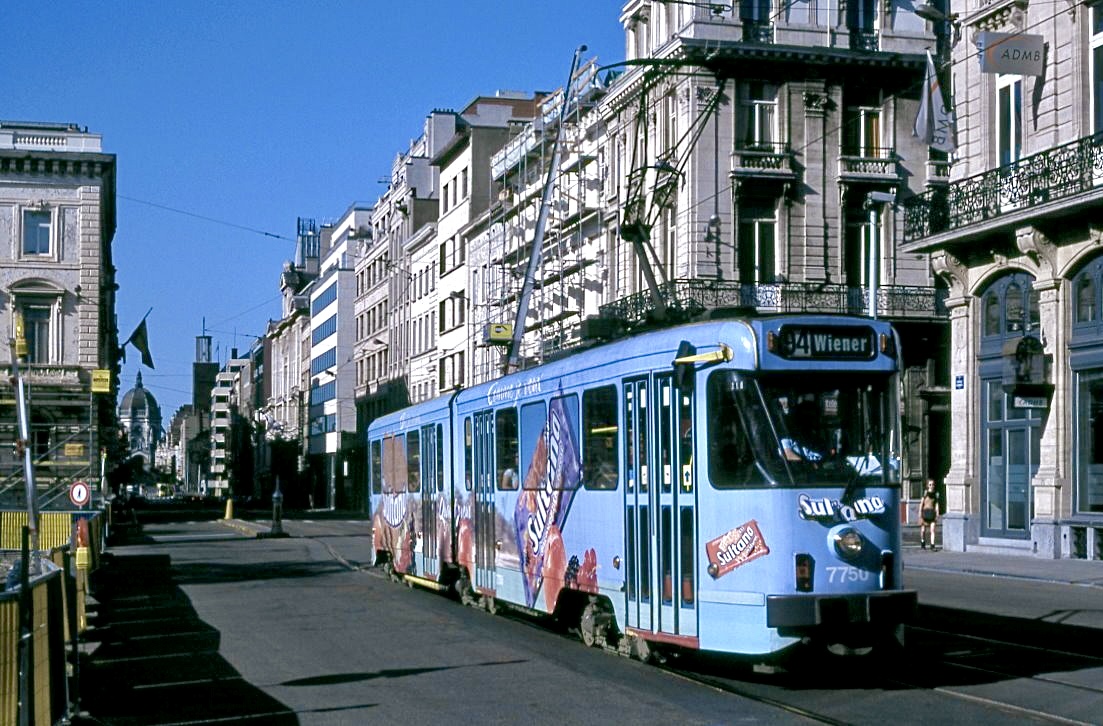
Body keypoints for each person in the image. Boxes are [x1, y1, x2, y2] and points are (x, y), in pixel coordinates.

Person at [919, 479, 940, 550]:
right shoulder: (925, 493)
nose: (931, 486)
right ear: (927, 485)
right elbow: (921, 503)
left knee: (932, 529)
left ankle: (932, 545)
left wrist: (937, 513)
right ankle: (922, 542)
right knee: (923, 530)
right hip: (925, 513)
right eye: (930, 484)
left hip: (932, 513)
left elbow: (937, 504)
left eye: (933, 484)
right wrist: (920, 513)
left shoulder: (935, 494)